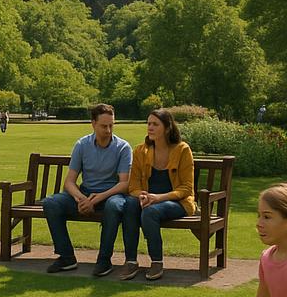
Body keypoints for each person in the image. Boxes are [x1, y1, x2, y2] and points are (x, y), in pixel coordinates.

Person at [40, 103, 132, 274]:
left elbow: (124, 184)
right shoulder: (82, 145)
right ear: (93, 124)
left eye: (111, 125)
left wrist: (96, 199)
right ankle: (66, 257)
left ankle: (104, 260)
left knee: (114, 206)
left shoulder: (123, 148)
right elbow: (69, 182)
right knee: (51, 203)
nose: (108, 130)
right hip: (86, 194)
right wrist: (81, 199)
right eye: (104, 126)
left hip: (111, 195)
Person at [117, 109, 195, 281]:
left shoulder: (182, 150)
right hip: (148, 200)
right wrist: (142, 195)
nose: (150, 127)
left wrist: (159, 198)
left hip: (177, 202)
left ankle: (156, 262)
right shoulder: (140, 151)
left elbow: (187, 188)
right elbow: (133, 186)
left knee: (150, 211)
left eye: (155, 124)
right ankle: (131, 261)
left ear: (167, 128)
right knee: (130, 204)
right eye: (149, 124)